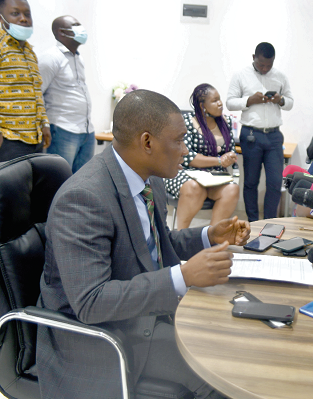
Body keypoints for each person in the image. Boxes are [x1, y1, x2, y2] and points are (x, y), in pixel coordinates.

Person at [37, 89, 251, 399]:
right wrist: (184, 276)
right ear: (147, 142)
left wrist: (209, 236)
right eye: (178, 140)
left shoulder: (150, 177)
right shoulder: (83, 199)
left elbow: (155, 245)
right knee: (221, 372)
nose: (185, 150)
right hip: (102, 338)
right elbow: (91, 302)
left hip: (142, 314)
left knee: (229, 334)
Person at [226, 42, 294, 222]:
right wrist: (249, 100)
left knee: (274, 182)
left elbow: (290, 103)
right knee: (250, 182)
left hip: (274, 136)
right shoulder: (240, 75)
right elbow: (230, 102)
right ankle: (254, 222)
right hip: (251, 135)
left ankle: (270, 222)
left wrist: (280, 100)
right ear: (253, 57)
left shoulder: (280, 76)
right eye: (261, 64)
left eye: (268, 65)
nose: (264, 69)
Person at [164, 84, 239, 228]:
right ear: (202, 105)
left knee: (232, 189)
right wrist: (219, 160)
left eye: (220, 99)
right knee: (194, 187)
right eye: (215, 100)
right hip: (186, 173)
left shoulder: (226, 122)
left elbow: (230, 151)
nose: (220, 103)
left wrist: (230, 157)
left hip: (214, 176)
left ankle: (212, 237)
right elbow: (187, 157)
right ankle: (181, 235)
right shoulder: (187, 122)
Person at [38, 15, 94, 173]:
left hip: (86, 130)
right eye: (76, 25)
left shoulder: (78, 58)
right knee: (59, 180)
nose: (81, 28)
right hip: (62, 130)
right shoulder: (50, 58)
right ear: (61, 32)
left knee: (82, 182)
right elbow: (37, 93)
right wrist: (44, 125)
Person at [0, 0, 51, 161]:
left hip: (35, 138)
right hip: (8, 139)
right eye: (15, 13)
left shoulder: (30, 52)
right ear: (2, 18)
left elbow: (37, 92)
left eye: (27, 14)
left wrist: (45, 124)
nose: (23, 19)